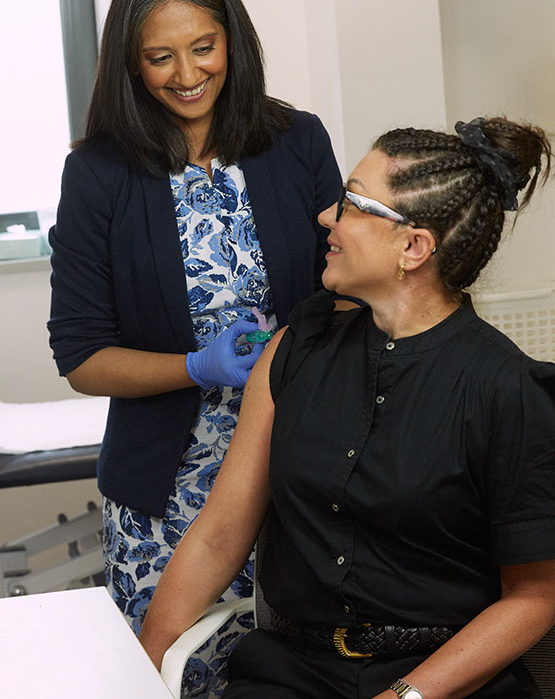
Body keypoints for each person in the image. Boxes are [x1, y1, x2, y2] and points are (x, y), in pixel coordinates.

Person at [139, 116, 555, 699]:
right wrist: (134, 673)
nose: (326, 218)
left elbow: (536, 596)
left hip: (441, 680)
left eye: (353, 204)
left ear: (413, 247)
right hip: (289, 675)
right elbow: (218, 537)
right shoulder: (296, 347)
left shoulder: (506, 389)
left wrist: (405, 697)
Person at [47, 0, 341, 659]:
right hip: (166, 496)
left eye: (203, 47)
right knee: (174, 668)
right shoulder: (98, 174)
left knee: (289, 674)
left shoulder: (296, 142)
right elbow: (82, 357)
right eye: (159, 58)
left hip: (296, 476)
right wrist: (195, 366)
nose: (187, 75)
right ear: (129, 62)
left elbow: (347, 288)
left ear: (231, 39)